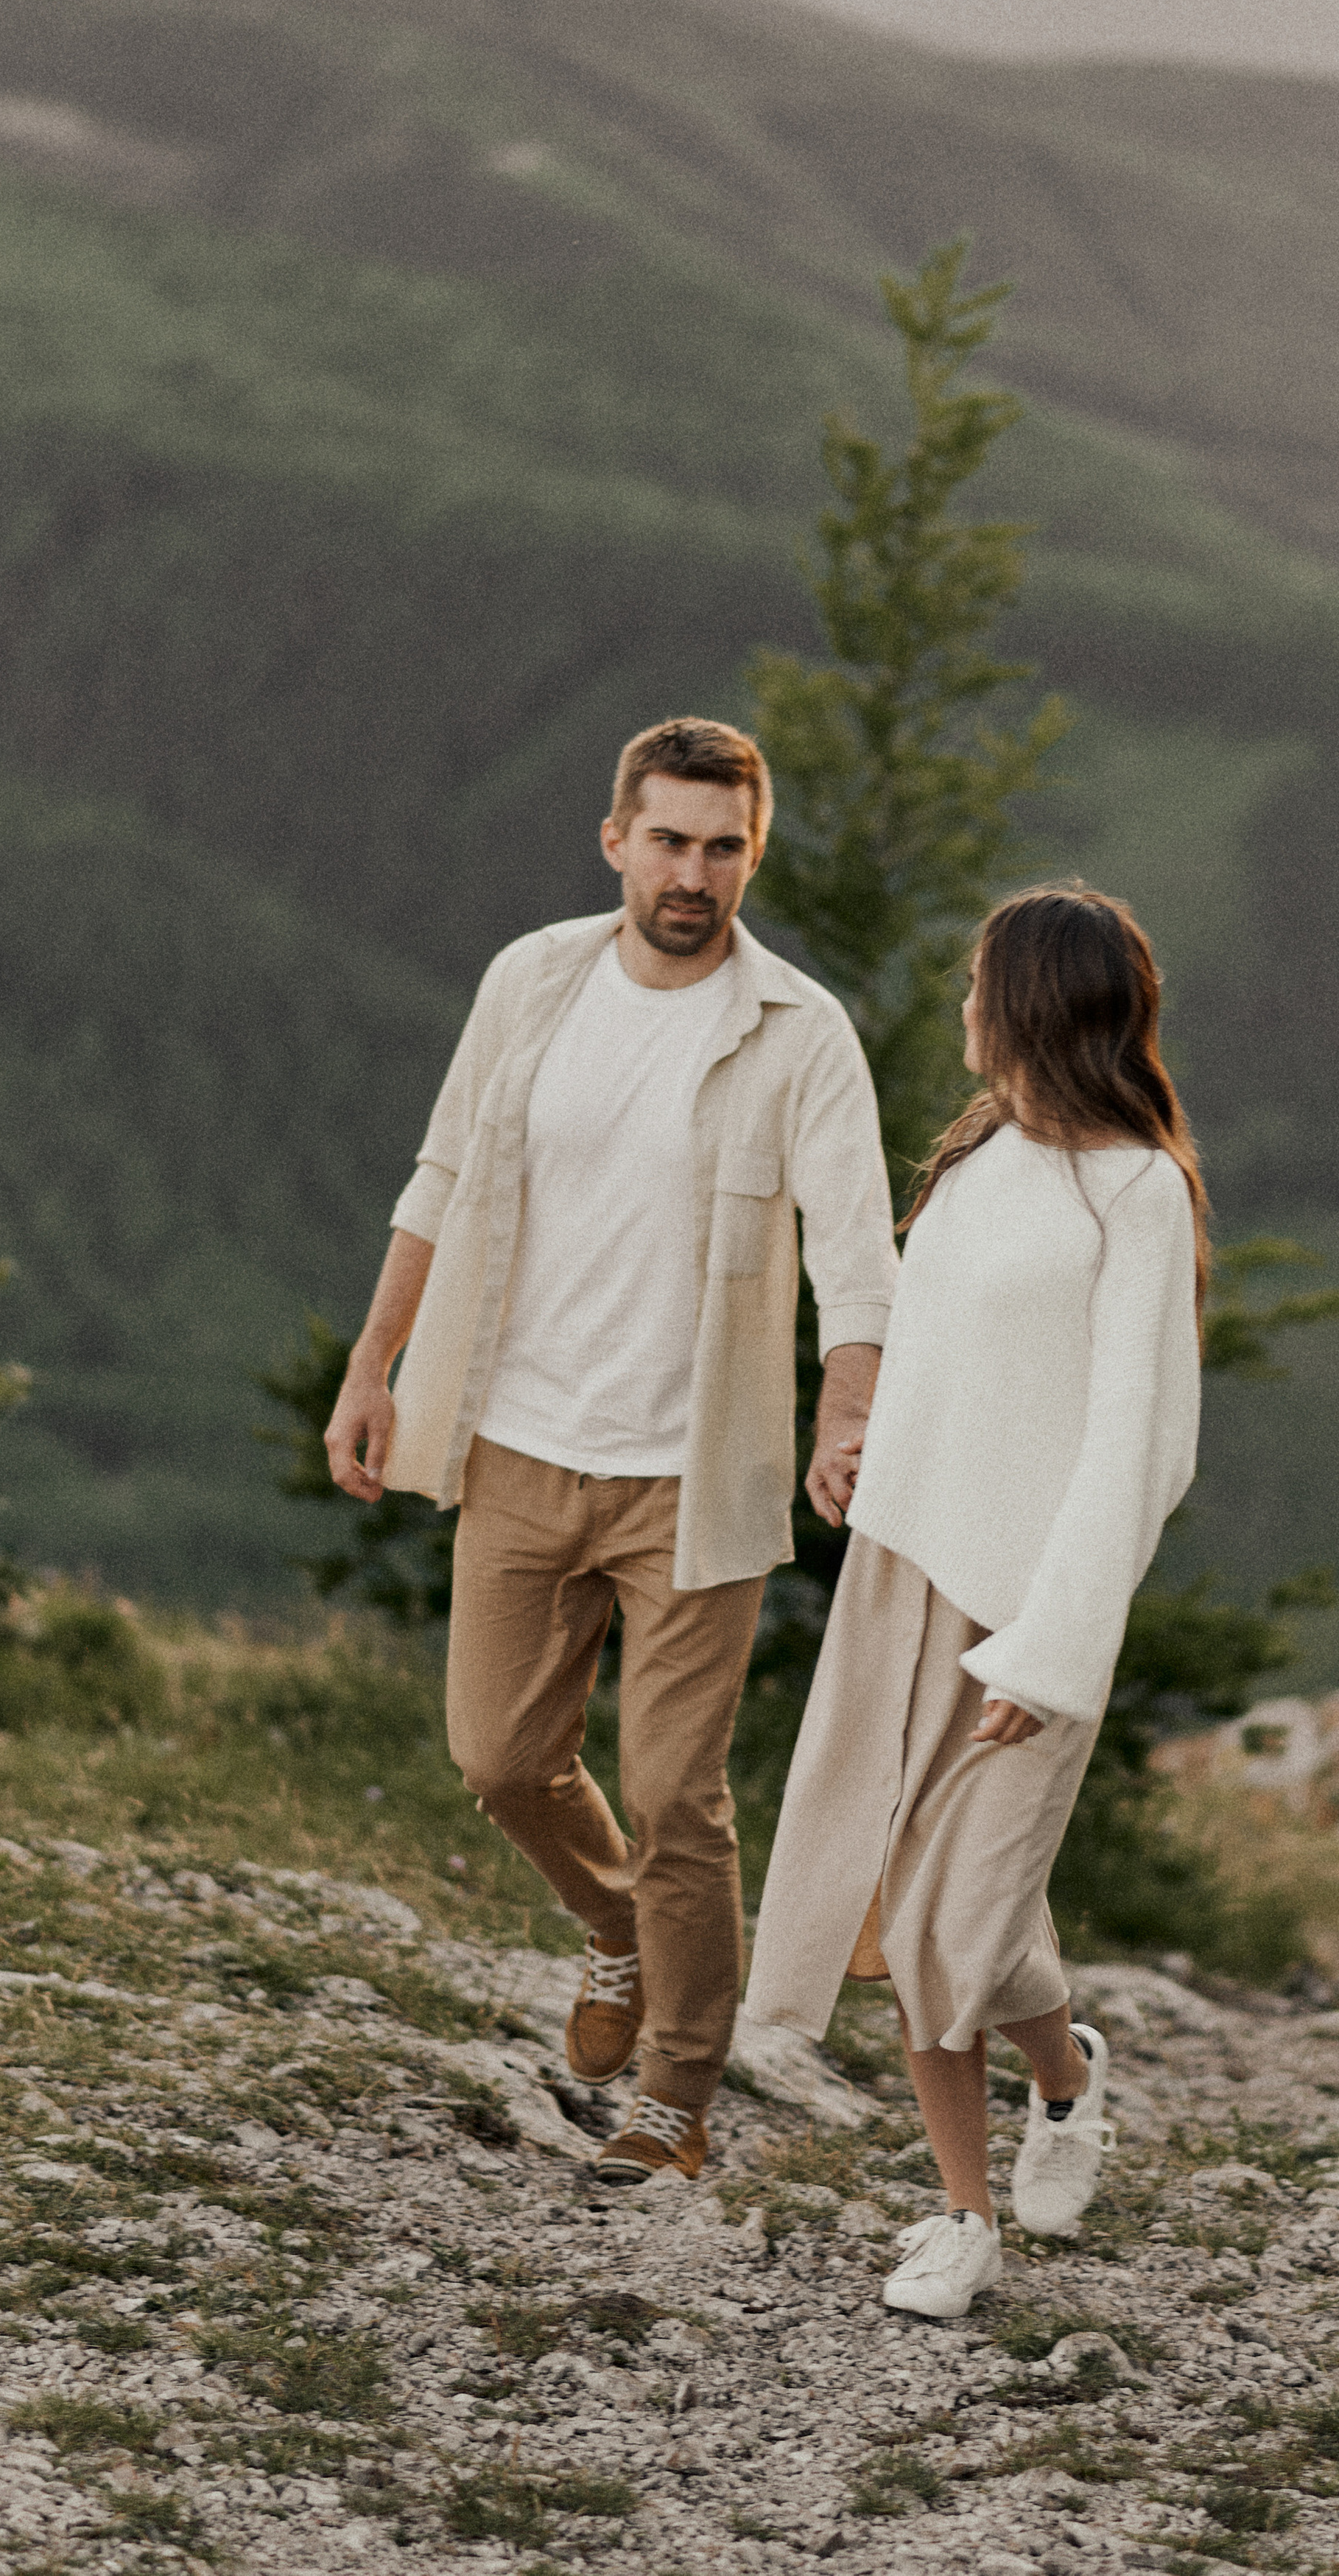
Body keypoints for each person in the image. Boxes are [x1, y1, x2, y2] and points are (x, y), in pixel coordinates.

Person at [325, 717, 897, 2187]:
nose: (692, 873)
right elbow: (441, 1175)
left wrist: (844, 1412)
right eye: (668, 841)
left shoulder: (799, 1032)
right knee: (500, 1755)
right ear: (615, 841)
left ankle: (675, 2096)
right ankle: (617, 1929)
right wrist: (374, 1366)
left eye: (722, 847)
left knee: (674, 1791)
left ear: (752, 857)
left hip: (692, 1474)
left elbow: (854, 1253)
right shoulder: (531, 980)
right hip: (517, 1438)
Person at [745, 883, 1204, 2317]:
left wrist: (1051, 1649)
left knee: (960, 1912)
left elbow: (1134, 1446)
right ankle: (966, 2211)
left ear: (1030, 1005)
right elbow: (948, 1353)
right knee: (919, 1904)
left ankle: (1061, 2085)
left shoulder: (1135, 1192)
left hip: (1035, 1607)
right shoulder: (977, 1155)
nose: (960, 1003)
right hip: (907, 1570)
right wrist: (867, 1446)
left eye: (977, 983)